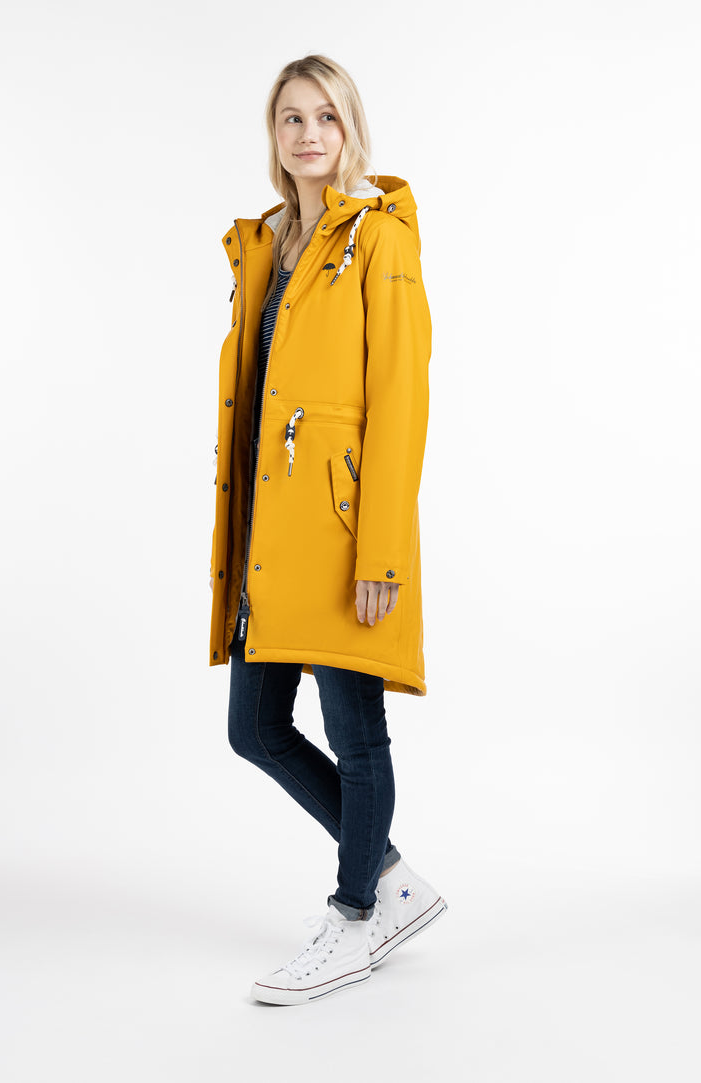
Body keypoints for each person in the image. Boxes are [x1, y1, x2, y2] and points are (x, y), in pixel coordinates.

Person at [209, 55, 445, 1005]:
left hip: (346, 531)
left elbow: (401, 399)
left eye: (326, 117)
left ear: (352, 130)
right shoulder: (271, 243)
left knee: (356, 732)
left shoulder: (380, 238)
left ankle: (355, 917)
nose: (308, 134)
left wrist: (380, 550)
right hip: (274, 528)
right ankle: (391, 880)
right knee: (256, 727)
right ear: (274, 136)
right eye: (291, 118)